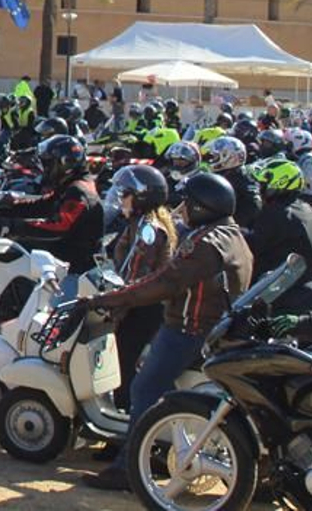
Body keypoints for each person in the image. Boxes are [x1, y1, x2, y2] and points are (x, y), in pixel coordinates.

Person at [83, 172, 252, 491]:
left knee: (143, 389)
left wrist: (106, 299)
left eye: (188, 202)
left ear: (202, 207)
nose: (182, 207)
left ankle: (129, 467)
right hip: (210, 328)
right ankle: (157, 449)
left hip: (187, 330)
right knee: (159, 388)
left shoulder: (205, 244)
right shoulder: (233, 236)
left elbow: (164, 282)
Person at [102, 164, 176, 416]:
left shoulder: (148, 231)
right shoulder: (139, 223)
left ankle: (125, 420)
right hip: (140, 302)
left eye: (125, 194)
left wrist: (111, 305)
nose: (120, 198)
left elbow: (135, 275)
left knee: (123, 363)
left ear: (141, 198)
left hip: (143, 307)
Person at [0, 135, 103, 273]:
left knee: (11, 253)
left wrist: (11, 226)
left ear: (63, 164)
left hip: (76, 266)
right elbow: (45, 204)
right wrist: (10, 207)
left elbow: (58, 227)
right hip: (67, 251)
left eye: (48, 164)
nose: (44, 168)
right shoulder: (72, 183)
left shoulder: (78, 191)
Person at [246, 156, 312, 277]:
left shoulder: (275, 214)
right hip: (307, 277)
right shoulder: (307, 208)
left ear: (280, 183)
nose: (259, 189)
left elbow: (251, 247)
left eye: (262, 184)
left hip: (287, 283)